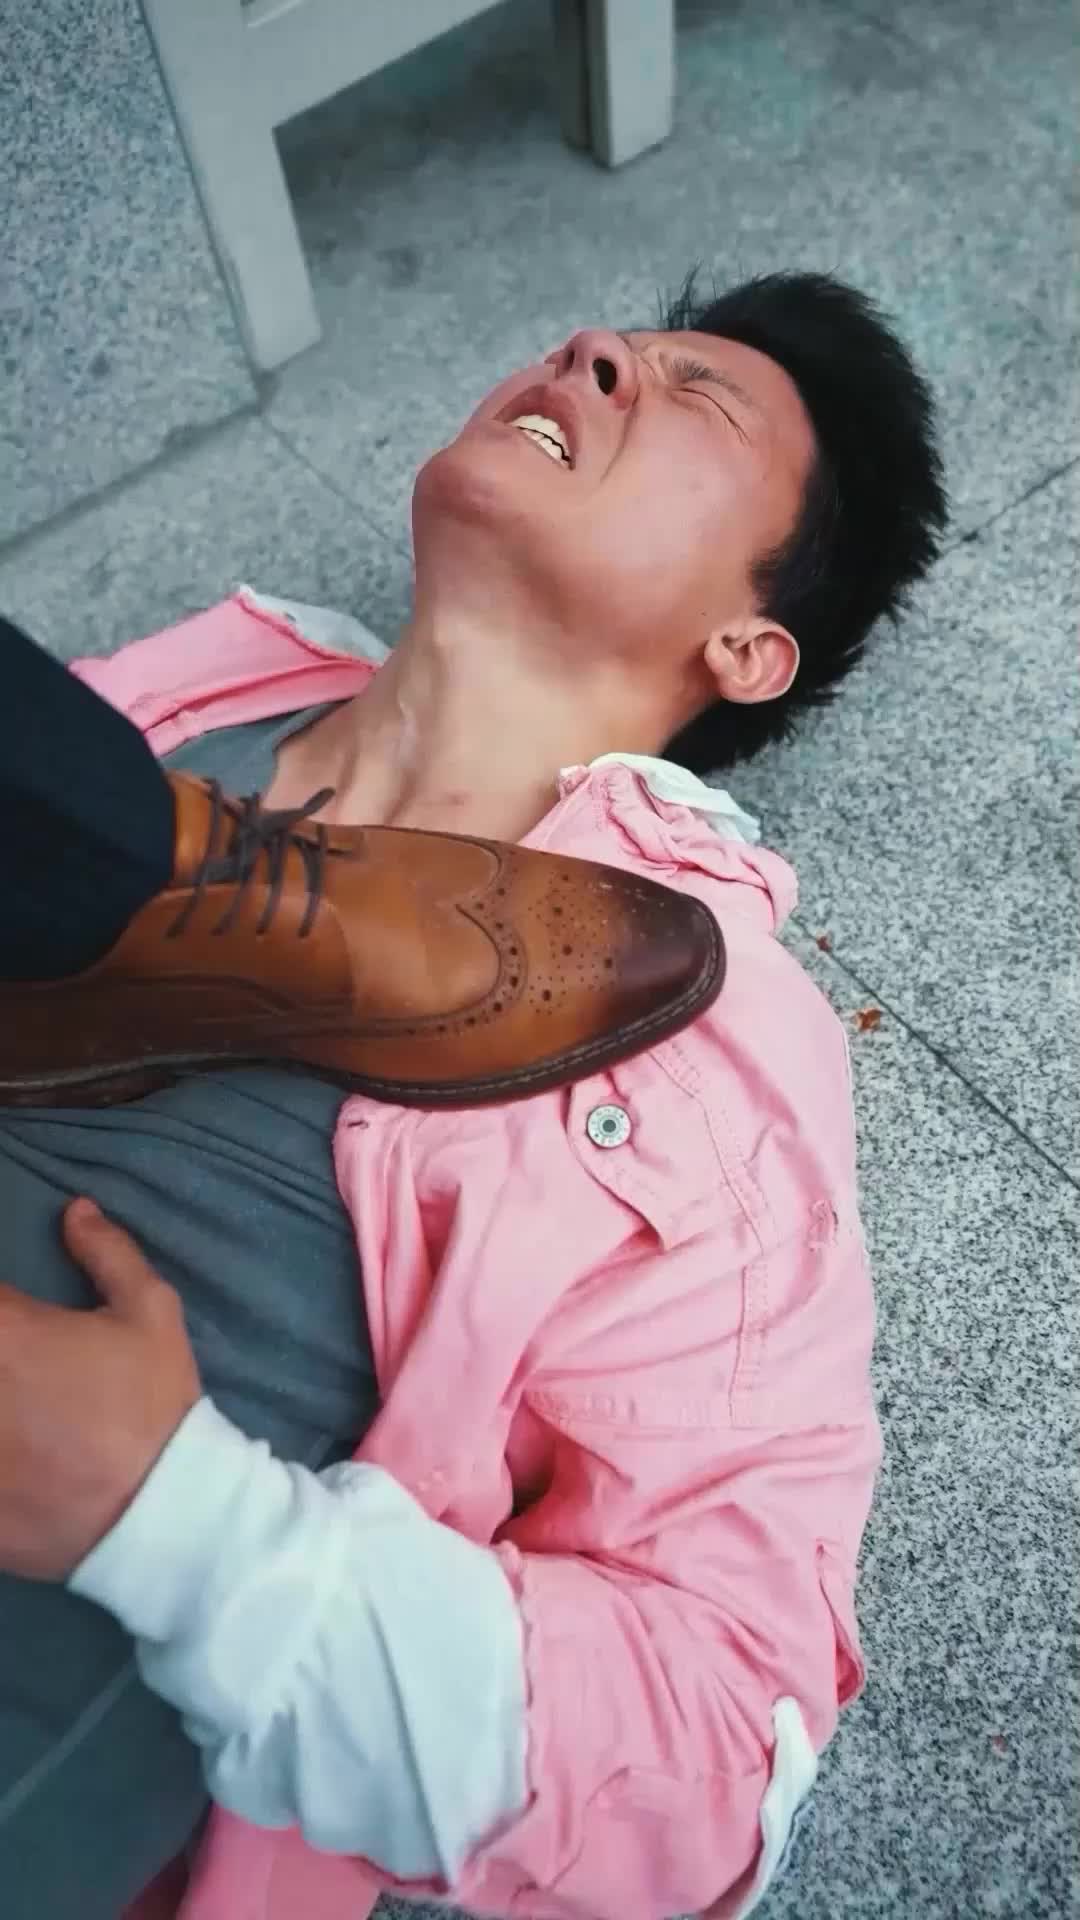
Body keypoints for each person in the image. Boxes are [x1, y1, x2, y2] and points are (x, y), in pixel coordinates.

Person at [0, 270, 946, 1920]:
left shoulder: (702, 1017)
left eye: (695, 393)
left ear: (746, 647)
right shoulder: (210, 686)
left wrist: (171, 1520)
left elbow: (726, 1745)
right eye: (616, 344)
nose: (593, 352)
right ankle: (152, 878)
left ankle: (144, 880)